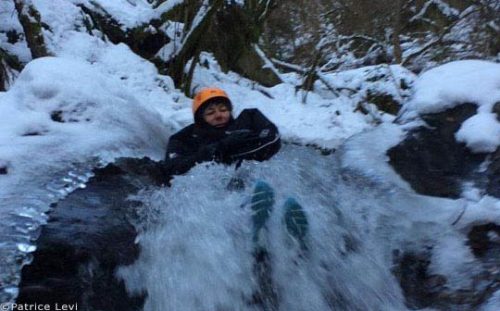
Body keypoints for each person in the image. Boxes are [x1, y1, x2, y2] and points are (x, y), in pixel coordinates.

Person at [162, 87, 281, 183]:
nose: (219, 115)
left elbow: (271, 140)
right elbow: (173, 169)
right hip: (210, 191)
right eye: (210, 112)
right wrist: (220, 147)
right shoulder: (183, 138)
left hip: (250, 180)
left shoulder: (246, 121)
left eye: (223, 110)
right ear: (200, 118)